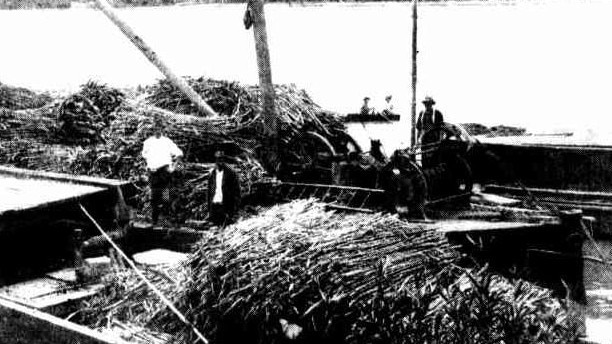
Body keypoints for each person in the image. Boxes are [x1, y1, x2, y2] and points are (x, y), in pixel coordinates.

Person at [142, 119, 183, 225]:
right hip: (154, 174)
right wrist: (149, 167)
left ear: (162, 129)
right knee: (154, 198)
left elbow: (179, 153)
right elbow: (144, 156)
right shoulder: (148, 142)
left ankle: (166, 219)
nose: (157, 131)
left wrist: (173, 166)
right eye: (155, 129)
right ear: (153, 130)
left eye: (159, 128)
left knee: (165, 197)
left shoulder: (167, 142)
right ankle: (154, 220)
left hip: (164, 173)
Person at [207, 150, 241, 227]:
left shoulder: (231, 173)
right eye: (218, 159)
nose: (220, 161)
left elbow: (237, 193)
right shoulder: (212, 174)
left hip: (225, 207)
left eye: (222, 159)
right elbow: (209, 193)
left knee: (225, 230)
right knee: (214, 232)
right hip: (215, 207)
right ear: (215, 160)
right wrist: (209, 210)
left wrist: (234, 212)